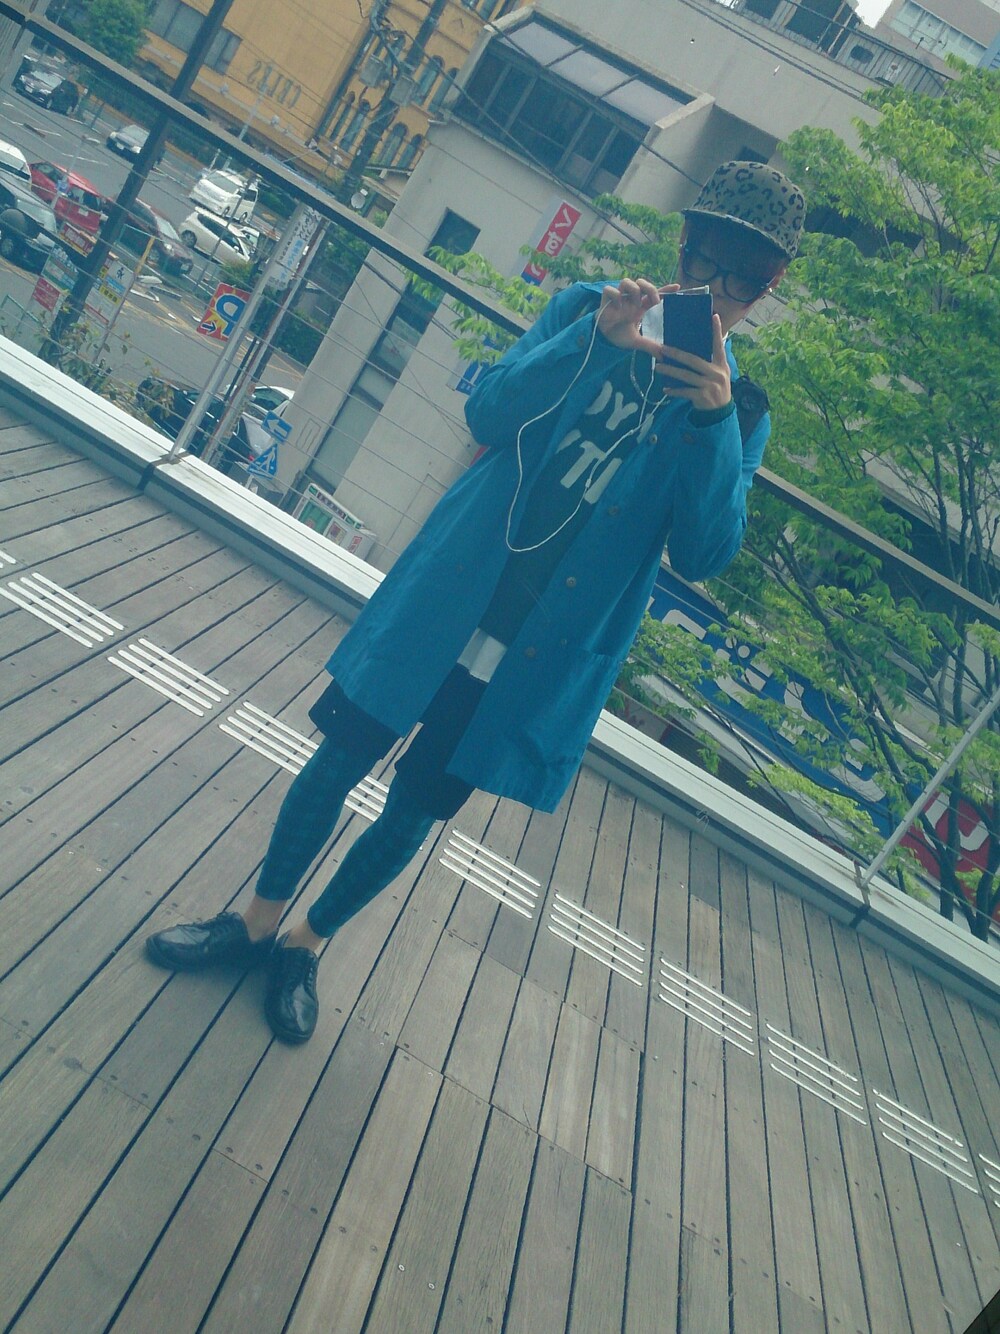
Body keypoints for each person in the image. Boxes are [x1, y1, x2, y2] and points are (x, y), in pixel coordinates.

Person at [146, 160, 806, 1044]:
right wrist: (595, 343)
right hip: (451, 593)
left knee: (416, 808)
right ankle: (256, 922)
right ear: (683, 245)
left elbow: (704, 551)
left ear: (769, 289)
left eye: (745, 280)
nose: (716, 293)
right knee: (338, 758)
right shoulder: (586, 310)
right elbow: (488, 413)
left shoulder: (741, 412)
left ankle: (305, 944)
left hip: (538, 650)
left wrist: (713, 423)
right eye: (707, 260)